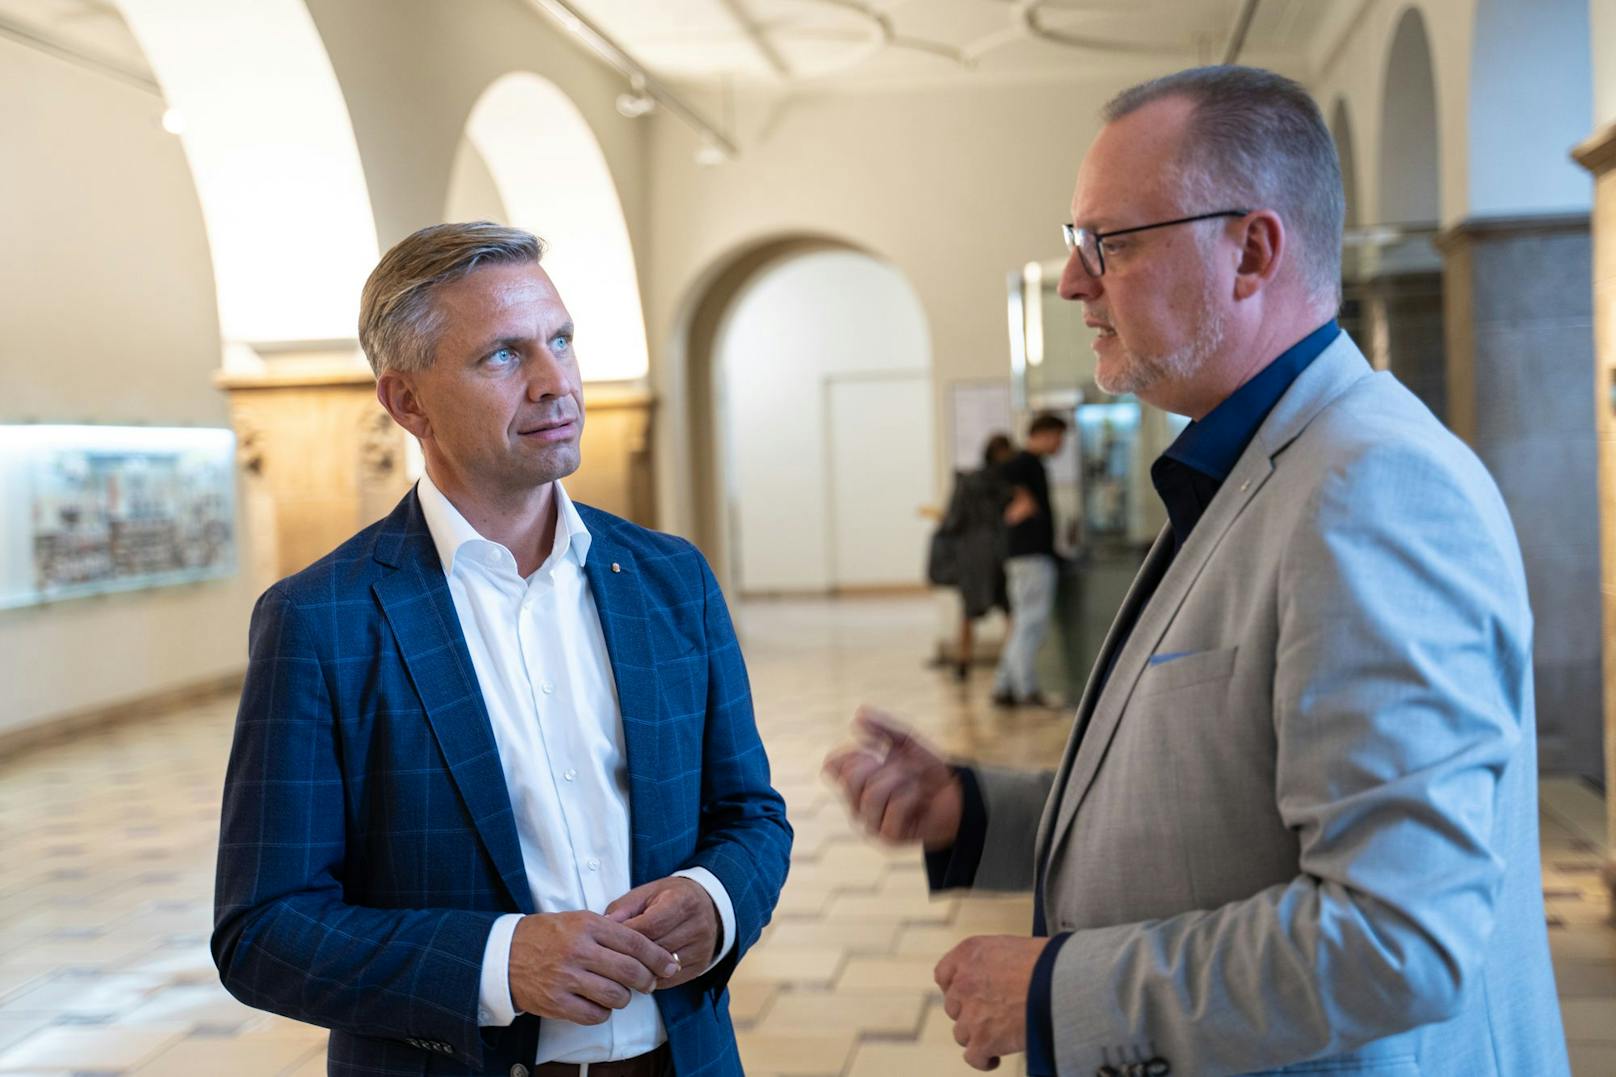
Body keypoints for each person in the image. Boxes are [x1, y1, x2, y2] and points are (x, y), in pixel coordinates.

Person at [824, 66, 1565, 1077]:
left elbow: (1392, 940)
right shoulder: (1260, 460)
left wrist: (1054, 994)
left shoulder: (1369, 488)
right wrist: (974, 811)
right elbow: (1212, 802)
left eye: (1109, 244)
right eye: (1074, 245)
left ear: (1250, 251)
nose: (1073, 282)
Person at [213, 222, 791, 1077]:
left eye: (561, 340)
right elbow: (263, 930)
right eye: (503, 357)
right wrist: (497, 962)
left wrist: (716, 899)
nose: (556, 382)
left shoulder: (671, 580)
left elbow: (751, 816)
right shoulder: (324, 619)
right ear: (407, 402)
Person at [992, 413, 1068, 708]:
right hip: (1030, 556)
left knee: (1024, 623)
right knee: (1030, 624)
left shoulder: (1030, 465)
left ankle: (1004, 685)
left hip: (1026, 555)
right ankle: (1026, 690)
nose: (1060, 444)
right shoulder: (1022, 464)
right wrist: (1018, 504)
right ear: (1045, 434)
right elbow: (999, 485)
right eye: (1058, 437)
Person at [931, 432, 1015, 681]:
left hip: (970, 555)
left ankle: (963, 660)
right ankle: (1010, 664)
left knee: (968, 613)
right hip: (999, 553)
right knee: (1010, 610)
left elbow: (953, 520)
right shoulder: (1005, 485)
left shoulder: (966, 482)